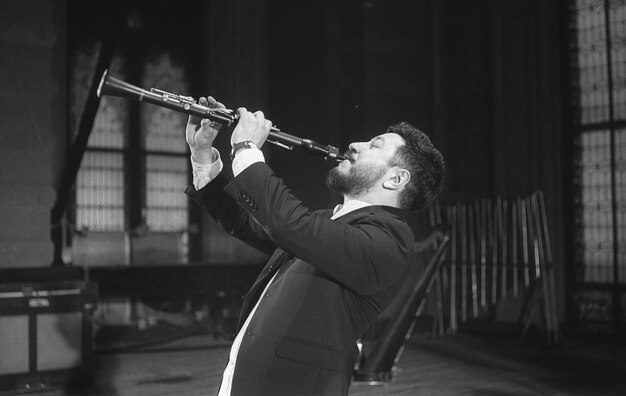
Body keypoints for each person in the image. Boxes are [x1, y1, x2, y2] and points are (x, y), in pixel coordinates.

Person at [184, 97, 444, 396]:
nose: (356, 145)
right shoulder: (325, 224)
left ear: (396, 179)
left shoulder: (390, 240)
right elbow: (244, 222)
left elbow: (288, 223)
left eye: (375, 145)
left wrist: (246, 148)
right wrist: (202, 152)